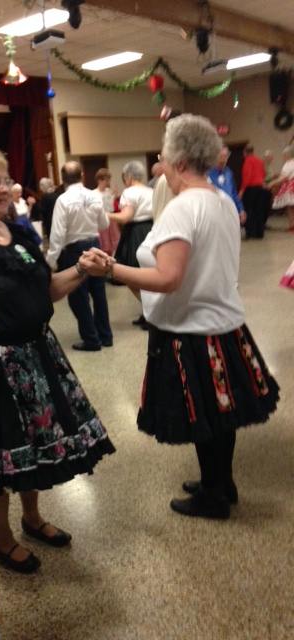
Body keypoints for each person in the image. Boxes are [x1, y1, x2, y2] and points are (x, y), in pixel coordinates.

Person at [89, 114, 279, 520]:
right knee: (221, 413)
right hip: (224, 325)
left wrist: (111, 268)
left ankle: (212, 494)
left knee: (205, 417)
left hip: (192, 329)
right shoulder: (221, 200)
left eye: (162, 157)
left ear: (178, 162)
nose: (160, 164)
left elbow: (168, 278)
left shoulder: (182, 208)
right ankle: (221, 482)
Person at [0, 144, 115, 574]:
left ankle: (32, 518)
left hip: (37, 355)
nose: (6, 188)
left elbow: (47, 291)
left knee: (34, 445)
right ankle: (2, 538)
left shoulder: (20, 233)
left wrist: (81, 268)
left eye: (7, 180)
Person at [46, 160, 113, 351]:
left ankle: (91, 339)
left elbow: (57, 236)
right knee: (99, 293)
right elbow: (104, 224)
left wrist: (49, 263)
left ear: (62, 178)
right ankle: (105, 336)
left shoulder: (63, 200)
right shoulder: (94, 196)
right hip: (95, 247)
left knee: (78, 297)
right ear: (82, 176)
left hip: (75, 251)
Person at [108, 160, 153, 329]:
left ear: (128, 176)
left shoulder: (129, 192)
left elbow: (125, 217)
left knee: (131, 275)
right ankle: (149, 312)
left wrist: (105, 215)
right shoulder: (151, 191)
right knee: (147, 274)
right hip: (151, 229)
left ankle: (151, 311)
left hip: (135, 232)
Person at [207, 146, 247, 224]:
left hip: (229, 212)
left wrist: (241, 209)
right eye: (220, 156)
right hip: (214, 214)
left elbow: (234, 194)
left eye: (225, 156)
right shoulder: (207, 173)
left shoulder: (229, 173)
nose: (222, 159)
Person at [239, 144, 266, 239]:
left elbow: (247, 176)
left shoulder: (248, 161)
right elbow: (263, 173)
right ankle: (260, 233)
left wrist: (242, 190)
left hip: (250, 188)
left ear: (245, 152)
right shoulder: (260, 161)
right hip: (260, 187)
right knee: (259, 210)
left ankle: (250, 232)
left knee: (248, 210)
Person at [94, 167, 120, 257]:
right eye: (106, 180)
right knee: (102, 248)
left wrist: (114, 194)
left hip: (110, 220)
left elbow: (110, 205)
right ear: (100, 180)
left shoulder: (108, 191)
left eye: (108, 180)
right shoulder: (94, 193)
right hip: (101, 222)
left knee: (110, 248)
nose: (108, 183)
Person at [268, 145, 294, 231]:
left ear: (288, 154)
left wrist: (273, 182)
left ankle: (292, 224)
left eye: (284, 154)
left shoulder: (289, 163)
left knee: (290, 205)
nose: (283, 156)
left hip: (290, 186)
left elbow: (284, 177)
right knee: (290, 205)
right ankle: (292, 224)